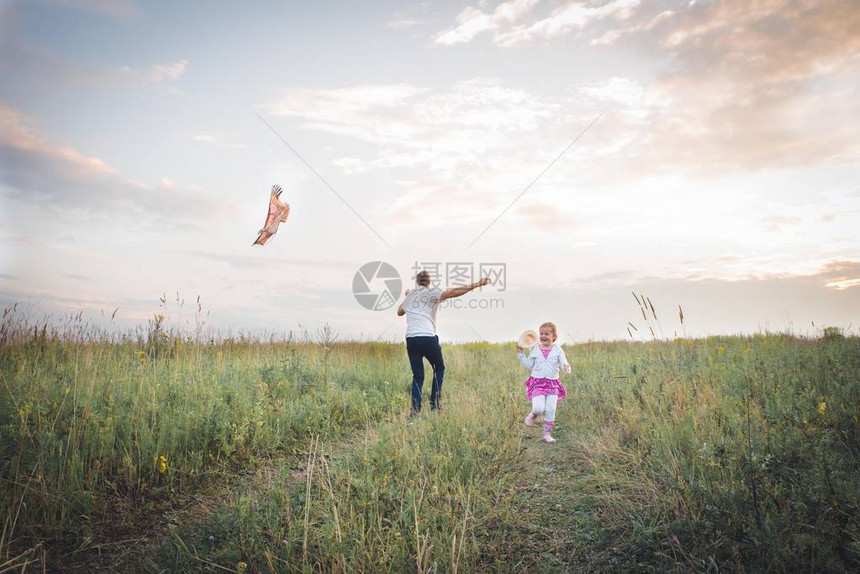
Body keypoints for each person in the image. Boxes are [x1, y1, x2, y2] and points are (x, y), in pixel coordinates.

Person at [397, 270, 490, 414]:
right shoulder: (432, 292)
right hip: (427, 337)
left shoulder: (410, 295)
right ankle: (434, 405)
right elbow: (453, 292)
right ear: (429, 282)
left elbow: (399, 312)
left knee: (418, 375)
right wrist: (477, 284)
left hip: (411, 339)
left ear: (417, 282)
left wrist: (409, 295)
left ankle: (415, 411)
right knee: (439, 368)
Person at [516, 322, 571, 443]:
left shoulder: (558, 349)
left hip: (552, 384)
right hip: (538, 382)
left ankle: (547, 434)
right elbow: (529, 365)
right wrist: (520, 355)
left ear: (554, 336)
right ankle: (533, 415)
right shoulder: (535, 349)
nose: (543, 336)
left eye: (547, 334)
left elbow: (563, 362)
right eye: (541, 334)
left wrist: (566, 367)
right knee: (539, 408)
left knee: (551, 410)